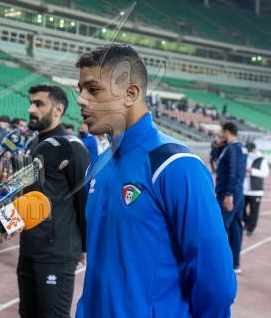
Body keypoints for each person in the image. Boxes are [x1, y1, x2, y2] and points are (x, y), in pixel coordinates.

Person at [75, 44, 236, 317]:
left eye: (93, 89)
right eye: (80, 89)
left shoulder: (177, 165)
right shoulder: (98, 165)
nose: (80, 99)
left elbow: (216, 283)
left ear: (131, 94)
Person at [19, 83, 90, 318]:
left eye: (39, 104)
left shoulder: (72, 147)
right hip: (28, 247)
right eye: (31, 103)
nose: (31, 109)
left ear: (58, 110)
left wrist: (84, 245)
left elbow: (84, 199)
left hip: (56, 252)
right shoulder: (33, 144)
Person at [216, 121, 248, 273]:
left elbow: (233, 172)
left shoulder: (233, 148)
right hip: (237, 192)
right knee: (235, 228)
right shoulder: (239, 148)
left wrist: (229, 194)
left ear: (227, 132)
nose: (220, 134)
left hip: (229, 193)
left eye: (222, 131)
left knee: (221, 226)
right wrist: (219, 147)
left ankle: (222, 264)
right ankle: (235, 264)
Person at [243, 142, 268, 237]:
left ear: (254, 150)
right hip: (244, 189)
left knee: (254, 211)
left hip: (256, 190)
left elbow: (265, 173)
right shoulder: (245, 157)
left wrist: (252, 171)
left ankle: (250, 229)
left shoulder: (261, 159)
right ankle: (246, 223)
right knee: (241, 208)